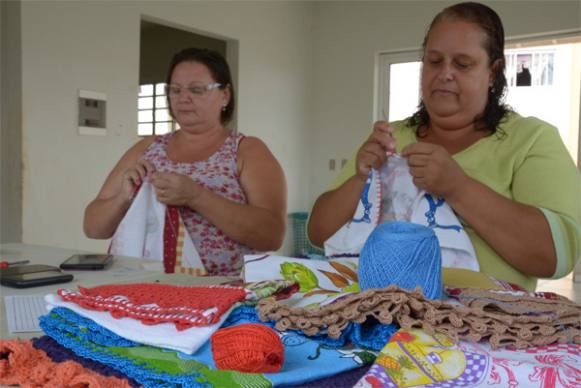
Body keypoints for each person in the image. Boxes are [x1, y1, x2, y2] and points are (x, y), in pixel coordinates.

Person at [308, 2, 581, 291]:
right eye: (434, 61)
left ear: (493, 71)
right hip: (381, 315)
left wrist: (458, 188)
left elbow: (557, 256)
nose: (445, 73)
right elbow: (317, 233)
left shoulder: (530, 139)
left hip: (483, 328)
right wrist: (362, 178)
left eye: (463, 64)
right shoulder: (391, 137)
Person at [84, 47, 287, 276]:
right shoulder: (148, 148)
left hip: (225, 294)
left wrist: (196, 196)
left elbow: (272, 235)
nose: (183, 98)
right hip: (148, 289)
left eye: (197, 89)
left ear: (225, 95)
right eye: (175, 90)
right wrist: (123, 197)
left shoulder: (245, 150)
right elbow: (92, 227)